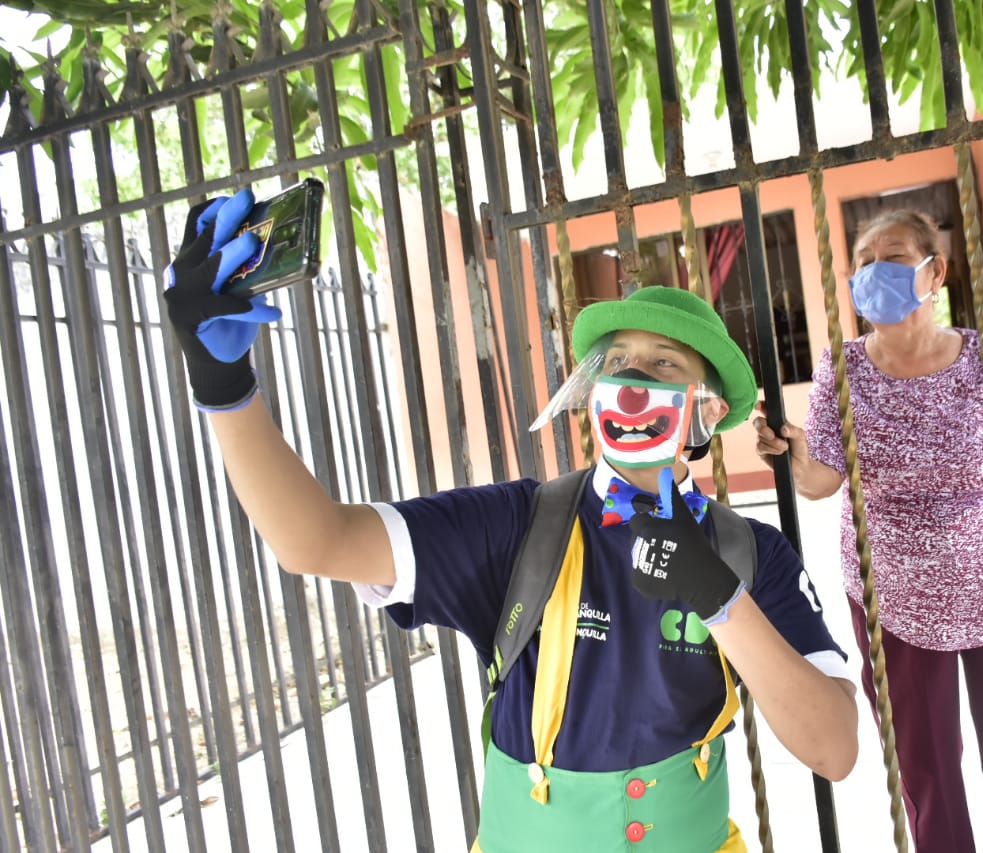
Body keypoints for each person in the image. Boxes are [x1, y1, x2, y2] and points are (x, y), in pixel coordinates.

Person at [163, 188, 859, 853]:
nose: (632, 376)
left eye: (663, 361)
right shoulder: (521, 523)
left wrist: (718, 595)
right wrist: (223, 386)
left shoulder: (752, 554)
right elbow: (314, 540)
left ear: (706, 413)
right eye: (615, 362)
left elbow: (835, 747)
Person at [753, 209, 983, 853]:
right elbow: (820, 481)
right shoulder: (838, 370)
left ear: (935, 270)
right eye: (863, 263)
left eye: (892, 257)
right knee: (930, 785)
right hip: (895, 607)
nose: (874, 273)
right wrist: (790, 453)